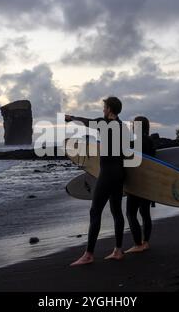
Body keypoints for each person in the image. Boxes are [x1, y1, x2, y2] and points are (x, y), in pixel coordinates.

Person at [65, 97, 127, 266]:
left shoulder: (104, 123)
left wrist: (71, 118)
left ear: (110, 109)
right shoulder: (122, 126)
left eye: (104, 107)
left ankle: (89, 254)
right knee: (116, 211)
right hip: (120, 172)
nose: (103, 110)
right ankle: (118, 250)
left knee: (95, 211)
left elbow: (87, 121)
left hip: (107, 173)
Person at [125, 116, 156, 253]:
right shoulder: (150, 141)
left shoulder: (135, 142)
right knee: (145, 213)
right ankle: (146, 242)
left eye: (133, 124)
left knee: (131, 213)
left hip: (137, 183)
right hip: (149, 182)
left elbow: (130, 164)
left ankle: (138, 244)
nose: (131, 126)